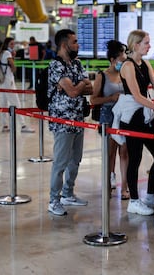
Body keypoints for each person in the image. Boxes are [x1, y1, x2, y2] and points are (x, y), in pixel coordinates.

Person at [119, 29, 154, 215]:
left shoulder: (145, 63)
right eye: (146, 43)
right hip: (132, 118)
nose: (149, 46)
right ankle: (134, 201)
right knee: (135, 159)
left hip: (145, 116)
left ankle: (150, 195)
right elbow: (136, 96)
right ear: (136, 45)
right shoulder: (127, 66)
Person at [47, 29, 93, 216]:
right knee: (60, 162)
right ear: (64, 45)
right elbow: (75, 91)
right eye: (75, 42)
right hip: (62, 121)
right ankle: (54, 200)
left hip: (78, 119)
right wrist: (80, 84)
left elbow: (89, 88)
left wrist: (77, 86)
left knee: (75, 160)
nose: (78, 45)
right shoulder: (55, 65)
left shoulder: (77, 63)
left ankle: (68, 193)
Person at [90, 40, 129, 200]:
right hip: (108, 116)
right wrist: (110, 98)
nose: (124, 59)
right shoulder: (102, 76)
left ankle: (125, 187)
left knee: (125, 152)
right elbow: (93, 99)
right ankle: (109, 180)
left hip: (125, 116)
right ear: (113, 59)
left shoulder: (127, 74)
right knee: (110, 152)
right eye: (122, 57)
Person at [0, 37, 35, 133]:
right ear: (7, 44)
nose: (13, 46)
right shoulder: (7, 53)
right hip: (8, 82)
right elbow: (13, 67)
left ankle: (5, 125)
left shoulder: (1, 53)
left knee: (4, 103)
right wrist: (13, 61)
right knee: (16, 103)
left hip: (2, 82)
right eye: (11, 44)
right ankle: (23, 125)